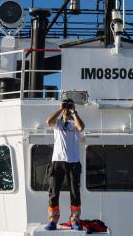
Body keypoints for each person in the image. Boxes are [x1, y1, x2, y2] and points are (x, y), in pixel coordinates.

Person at [44, 98, 85, 231]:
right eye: (66, 107)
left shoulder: (74, 124)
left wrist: (74, 112)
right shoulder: (58, 124)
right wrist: (60, 109)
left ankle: (75, 219)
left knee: (75, 193)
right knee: (54, 192)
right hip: (58, 162)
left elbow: (81, 127)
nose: (67, 109)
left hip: (73, 162)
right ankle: (52, 220)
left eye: (68, 106)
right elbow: (48, 121)